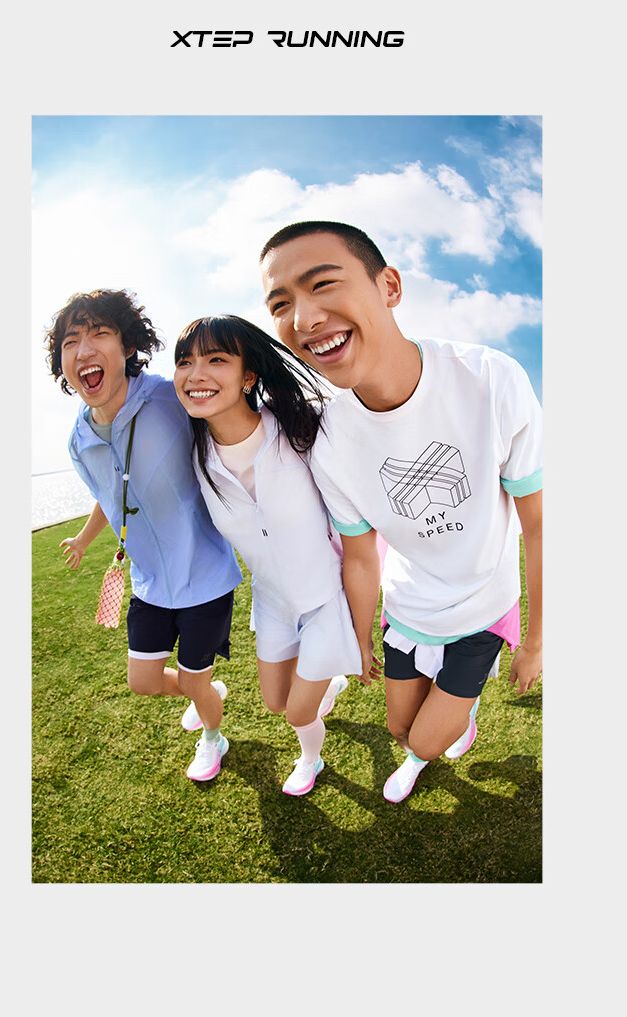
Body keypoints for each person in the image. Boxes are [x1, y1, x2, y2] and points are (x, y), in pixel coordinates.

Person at [259, 221, 542, 803]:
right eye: (281, 304)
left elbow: (540, 527)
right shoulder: (328, 440)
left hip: (486, 604)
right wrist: (359, 637)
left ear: (388, 286)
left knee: (426, 741)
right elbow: (361, 556)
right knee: (396, 726)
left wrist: (537, 640)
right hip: (410, 605)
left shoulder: (490, 379)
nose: (304, 318)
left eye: (322, 284)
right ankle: (439, 719)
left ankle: (443, 730)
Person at [44, 289, 243, 782]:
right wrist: (85, 539)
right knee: (144, 680)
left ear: (128, 346)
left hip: (204, 576)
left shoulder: (170, 397)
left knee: (194, 680)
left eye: (99, 333)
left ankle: (212, 737)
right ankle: (205, 693)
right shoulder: (79, 441)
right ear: (61, 362)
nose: (84, 350)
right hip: (149, 582)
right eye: (70, 342)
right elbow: (110, 494)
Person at [172, 314, 361, 796]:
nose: (196, 374)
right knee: (276, 701)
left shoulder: (299, 427)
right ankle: (326, 683)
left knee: (297, 713)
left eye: (217, 360)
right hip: (272, 601)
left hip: (326, 595)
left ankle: (311, 758)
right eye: (185, 362)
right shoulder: (194, 455)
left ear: (248, 376)